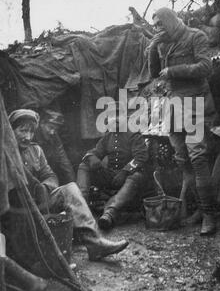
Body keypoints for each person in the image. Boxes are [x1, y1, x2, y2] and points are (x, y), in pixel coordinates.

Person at [8, 109, 129, 261]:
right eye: (22, 130)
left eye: (31, 132)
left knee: (70, 188)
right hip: (18, 209)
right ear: (10, 131)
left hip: (40, 201)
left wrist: (44, 187)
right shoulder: (5, 154)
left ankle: (94, 243)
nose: (27, 136)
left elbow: (50, 175)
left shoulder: (36, 150)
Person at [148, 7, 217, 235]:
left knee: (197, 158)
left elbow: (206, 67)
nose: (157, 28)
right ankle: (198, 210)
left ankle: (209, 215)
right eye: (155, 25)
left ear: (170, 21)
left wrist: (174, 70)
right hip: (174, 106)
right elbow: (155, 74)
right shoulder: (162, 43)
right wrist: (151, 47)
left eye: (160, 24)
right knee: (183, 159)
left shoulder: (196, 36)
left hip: (196, 102)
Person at [77, 102, 149, 231]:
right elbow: (94, 152)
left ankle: (109, 213)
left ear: (125, 117)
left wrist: (125, 172)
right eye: (111, 116)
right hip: (112, 176)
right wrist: (92, 157)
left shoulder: (133, 134)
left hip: (129, 179)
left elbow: (141, 157)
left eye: (118, 115)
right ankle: (82, 205)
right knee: (84, 166)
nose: (115, 119)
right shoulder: (108, 136)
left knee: (137, 176)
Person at [35, 109, 75, 185]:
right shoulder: (32, 137)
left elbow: (64, 161)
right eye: (50, 127)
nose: (52, 132)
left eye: (56, 129)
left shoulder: (55, 137)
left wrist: (73, 184)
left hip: (49, 177)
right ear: (42, 123)